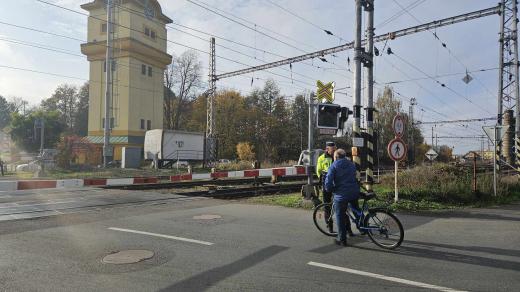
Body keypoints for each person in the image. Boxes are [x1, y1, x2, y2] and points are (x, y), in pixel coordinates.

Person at [324, 148, 360, 246]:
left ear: (336, 157)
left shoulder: (334, 166)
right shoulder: (351, 164)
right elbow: (354, 176)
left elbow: (328, 182)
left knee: (339, 215)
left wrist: (329, 189)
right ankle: (363, 227)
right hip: (354, 192)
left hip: (341, 195)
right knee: (356, 209)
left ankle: (342, 239)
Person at [316, 142, 336, 233]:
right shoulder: (321, 158)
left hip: (336, 183)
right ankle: (329, 225)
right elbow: (318, 170)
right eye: (332, 150)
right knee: (327, 205)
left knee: (341, 204)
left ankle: (347, 228)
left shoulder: (337, 156)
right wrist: (322, 180)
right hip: (326, 183)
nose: (333, 152)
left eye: (335, 149)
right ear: (327, 149)